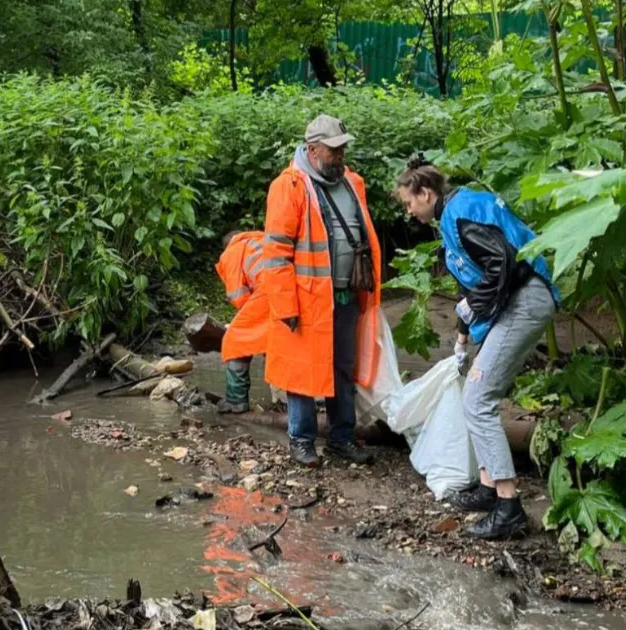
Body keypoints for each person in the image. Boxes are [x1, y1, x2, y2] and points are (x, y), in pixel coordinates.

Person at [395, 157, 560, 540]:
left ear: (425, 193)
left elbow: (501, 262)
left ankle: (508, 506)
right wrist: (462, 334)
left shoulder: (460, 214)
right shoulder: (458, 211)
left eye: (409, 202)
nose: (409, 211)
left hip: (526, 298)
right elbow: (477, 283)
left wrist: (475, 308)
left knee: (477, 397)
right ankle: (487, 489)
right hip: (519, 299)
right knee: (476, 388)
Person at [262, 114, 382, 468]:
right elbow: (276, 252)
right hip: (306, 301)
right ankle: (302, 441)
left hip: (345, 297)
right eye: (334, 151)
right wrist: (286, 306)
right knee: (302, 372)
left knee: (343, 368)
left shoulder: (351, 182)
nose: (340, 156)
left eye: (343, 149)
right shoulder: (289, 187)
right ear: (313, 150)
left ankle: (341, 438)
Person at [214, 229, 271, 413]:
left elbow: (239, 296)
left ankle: (236, 400)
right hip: (290, 291)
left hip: (268, 292)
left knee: (234, 341)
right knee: (274, 343)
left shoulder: (232, 251)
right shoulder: (261, 240)